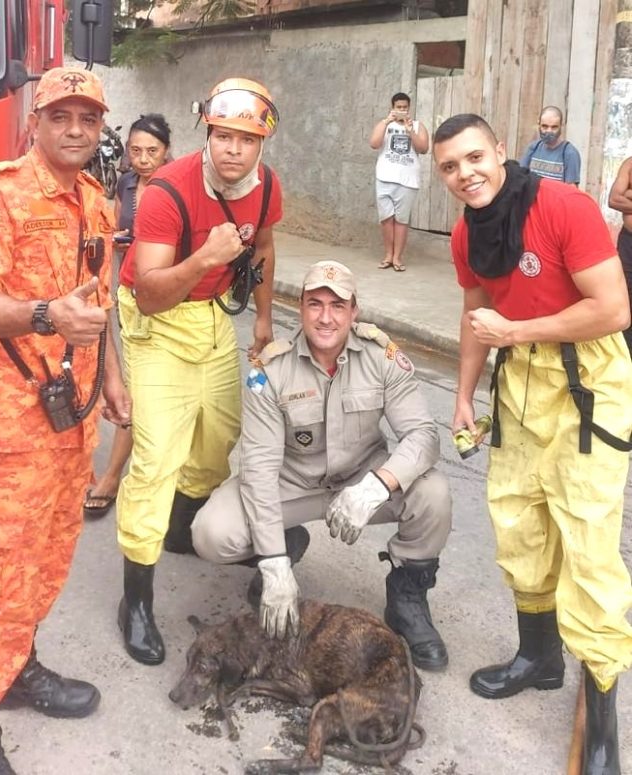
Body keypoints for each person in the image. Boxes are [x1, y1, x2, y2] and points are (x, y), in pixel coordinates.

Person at [0, 67, 130, 773]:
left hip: (70, 422)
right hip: (9, 424)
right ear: (37, 123)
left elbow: (101, 301)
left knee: (47, 560)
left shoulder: (96, 200)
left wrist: (111, 378)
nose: (76, 129)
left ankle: (15, 668)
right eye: (62, 117)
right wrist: (47, 313)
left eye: (88, 118)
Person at [433, 113, 632, 774]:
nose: (465, 174)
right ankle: (539, 656)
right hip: (518, 386)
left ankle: (601, 713)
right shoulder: (467, 233)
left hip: (586, 383)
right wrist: (464, 394)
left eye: (473, 158)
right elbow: (474, 311)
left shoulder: (564, 205)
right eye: (450, 168)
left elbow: (612, 308)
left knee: (587, 543)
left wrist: (516, 334)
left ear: (499, 151)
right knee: (518, 522)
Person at [192, 260, 453, 672]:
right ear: (301, 308)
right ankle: (283, 546)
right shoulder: (270, 372)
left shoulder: (382, 357)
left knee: (433, 493)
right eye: (315, 304)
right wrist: (273, 562)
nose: (326, 317)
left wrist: (378, 485)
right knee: (211, 533)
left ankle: (407, 600)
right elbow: (258, 470)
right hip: (291, 485)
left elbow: (424, 435)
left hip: (362, 482)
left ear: (354, 311)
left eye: (337, 305)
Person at [114, 77, 283, 666]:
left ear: (262, 144)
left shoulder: (264, 188)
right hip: (158, 320)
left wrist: (262, 320)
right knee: (158, 456)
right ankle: (135, 597)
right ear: (207, 133)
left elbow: (262, 247)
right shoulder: (166, 190)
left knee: (218, 440)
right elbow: (152, 293)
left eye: (246, 138)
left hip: (212, 317)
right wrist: (207, 257)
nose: (234, 149)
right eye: (223, 135)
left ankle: (181, 530)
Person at [83, 113, 173, 518]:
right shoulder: (125, 183)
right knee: (136, 386)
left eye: (151, 151)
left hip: (169, 304)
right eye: (135, 151)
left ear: (166, 152)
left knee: (142, 388)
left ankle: (115, 475)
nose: (143, 159)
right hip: (130, 294)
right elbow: (120, 228)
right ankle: (124, 472)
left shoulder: (181, 188)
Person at [369, 91, 429, 272]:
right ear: (392, 108)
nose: (402, 110)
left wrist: (410, 131)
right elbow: (374, 143)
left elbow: (424, 148)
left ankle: (397, 257)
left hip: (407, 179)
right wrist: (387, 121)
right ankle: (388, 254)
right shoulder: (384, 124)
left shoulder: (418, 126)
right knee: (386, 218)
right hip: (385, 176)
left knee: (401, 220)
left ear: (409, 108)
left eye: (405, 107)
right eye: (398, 107)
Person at [607, 155, 632, 356]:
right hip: (628, 244)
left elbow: (622, 198)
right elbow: (614, 199)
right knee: (625, 296)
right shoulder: (629, 164)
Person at [519, 105, 581, 185]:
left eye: (554, 127)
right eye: (545, 126)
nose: (549, 131)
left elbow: (571, 191)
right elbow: (520, 179)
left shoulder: (570, 153)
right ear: (539, 124)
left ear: (561, 126)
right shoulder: (533, 148)